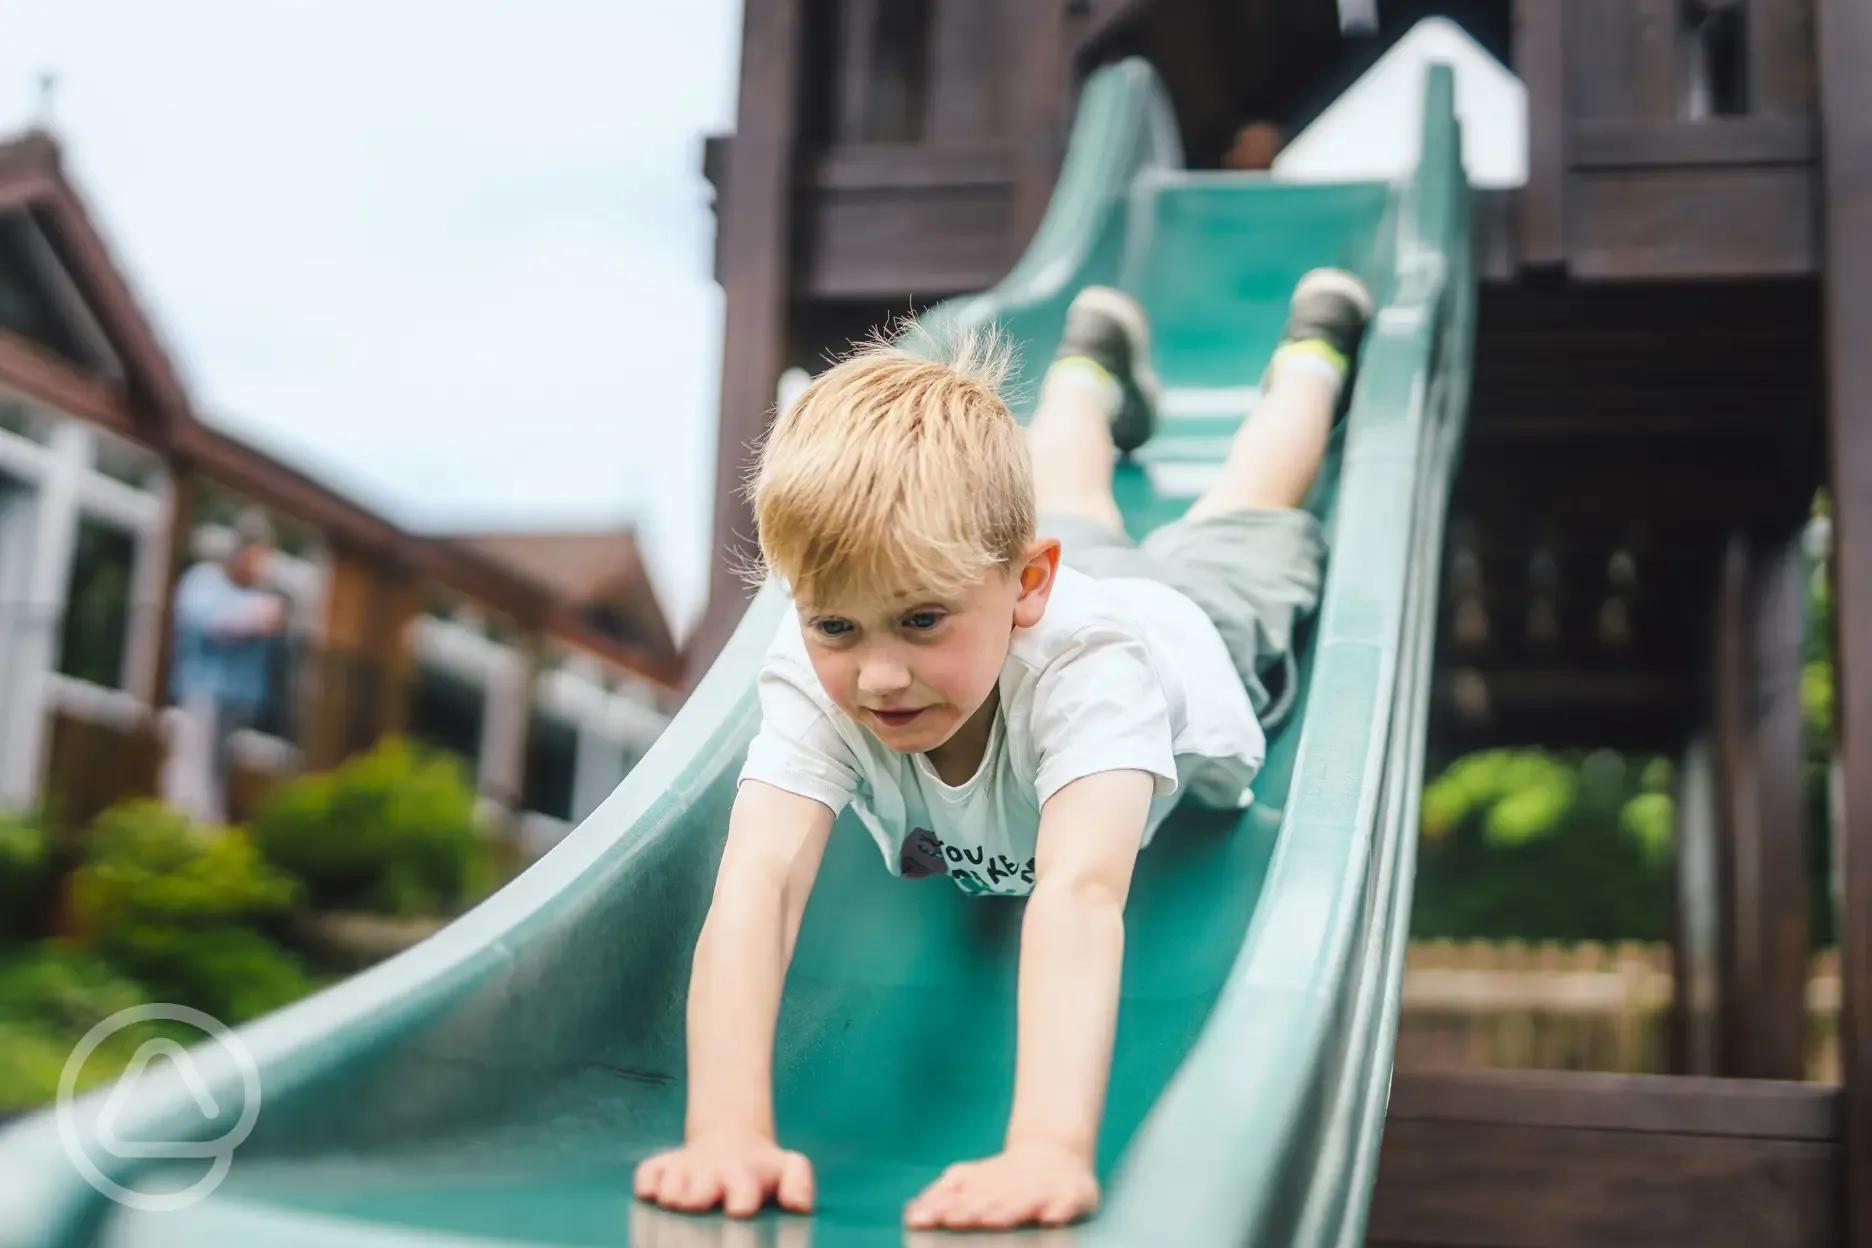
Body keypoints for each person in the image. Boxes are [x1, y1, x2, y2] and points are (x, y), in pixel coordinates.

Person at [633, 268, 1374, 1231]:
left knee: (1247, 501)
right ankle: (1087, 369)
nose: (880, 677)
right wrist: (726, 1128)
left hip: (1196, 624)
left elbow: (1079, 892)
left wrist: (1046, 1150)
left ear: (1026, 588)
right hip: (1044, 585)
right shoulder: (837, 645)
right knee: (1064, 496)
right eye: (838, 629)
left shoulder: (1091, 675)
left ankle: (1314, 353)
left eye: (920, 621)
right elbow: (759, 882)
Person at [165, 508, 288, 823]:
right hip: (204, 694)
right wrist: (251, 618)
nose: (262, 565)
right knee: (193, 768)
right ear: (241, 551)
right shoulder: (204, 581)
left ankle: (209, 828)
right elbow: (210, 625)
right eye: (258, 555)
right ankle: (184, 827)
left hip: (238, 701)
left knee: (219, 776)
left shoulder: (260, 594)